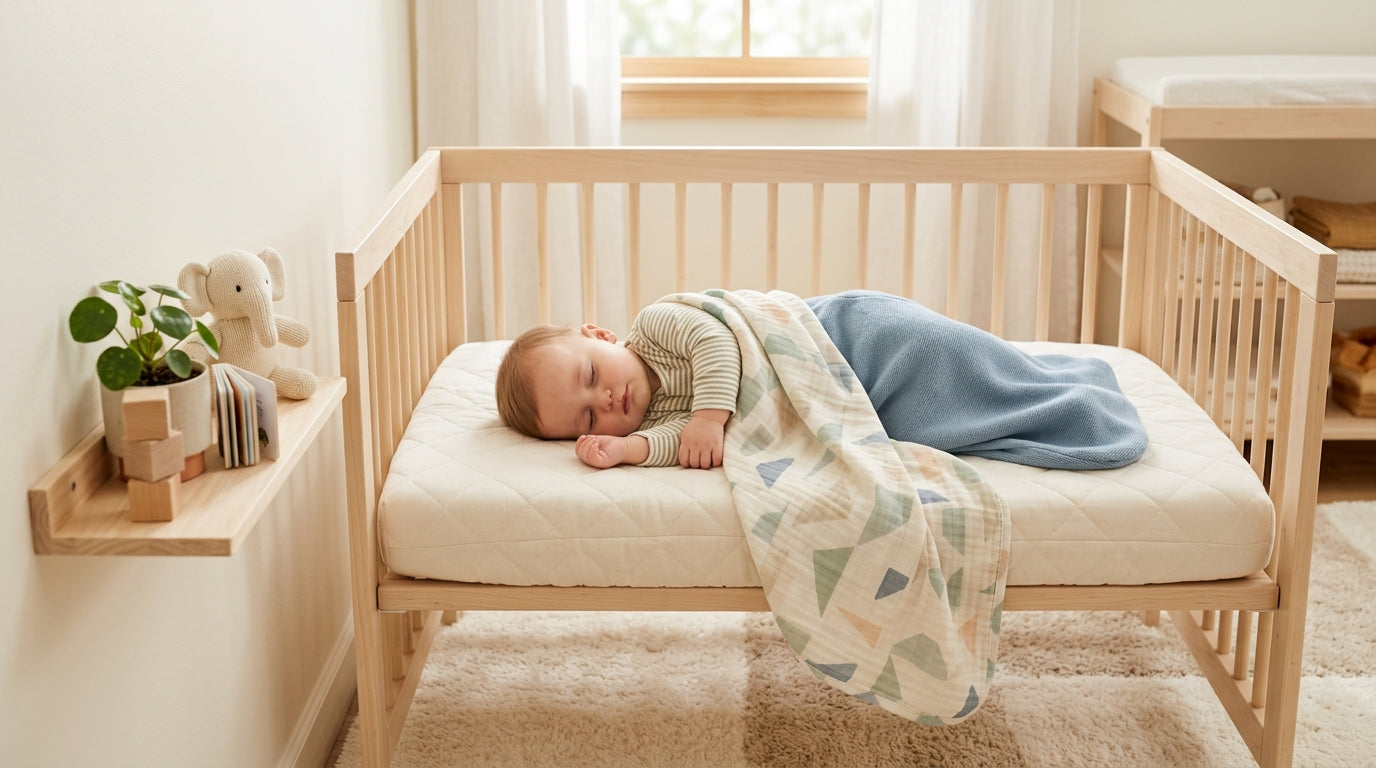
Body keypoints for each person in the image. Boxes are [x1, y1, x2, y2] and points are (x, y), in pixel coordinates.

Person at [495, 291, 1148, 472]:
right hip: (846, 394)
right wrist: (629, 449)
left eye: (590, 375)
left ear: (600, 335)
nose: (604, 399)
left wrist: (710, 416)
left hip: (850, 337)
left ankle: (1051, 390)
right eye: (587, 417)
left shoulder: (659, 325)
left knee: (946, 355)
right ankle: (1035, 402)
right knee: (926, 423)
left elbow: (717, 342)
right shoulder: (662, 419)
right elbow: (684, 447)